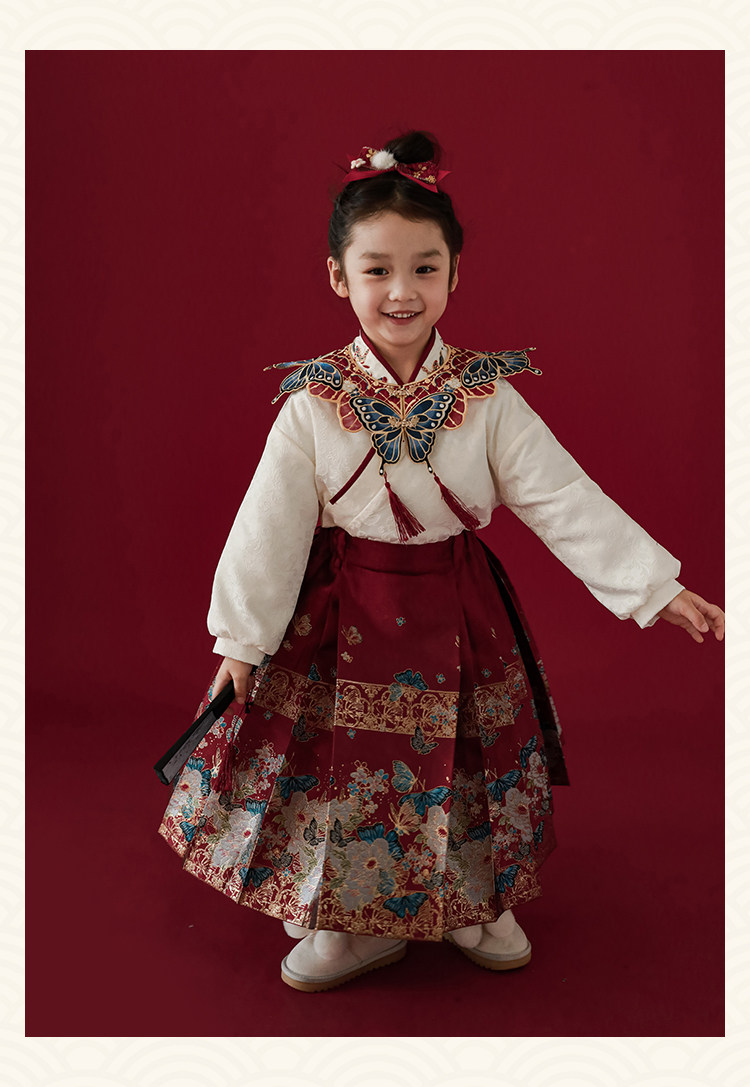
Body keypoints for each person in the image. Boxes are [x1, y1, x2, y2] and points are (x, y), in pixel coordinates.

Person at [157, 130, 724, 993]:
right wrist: (240, 639)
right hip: (339, 617)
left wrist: (656, 587)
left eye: (425, 268)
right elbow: (266, 526)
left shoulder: (487, 396)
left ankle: (473, 903)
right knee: (339, 769)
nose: (402, 291)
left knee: (468, 764)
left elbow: (562, 496)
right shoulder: (311, 403)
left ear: (456, 274)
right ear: (338, 277)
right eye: (377, 269)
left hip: (457, 610)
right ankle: (346, 922)